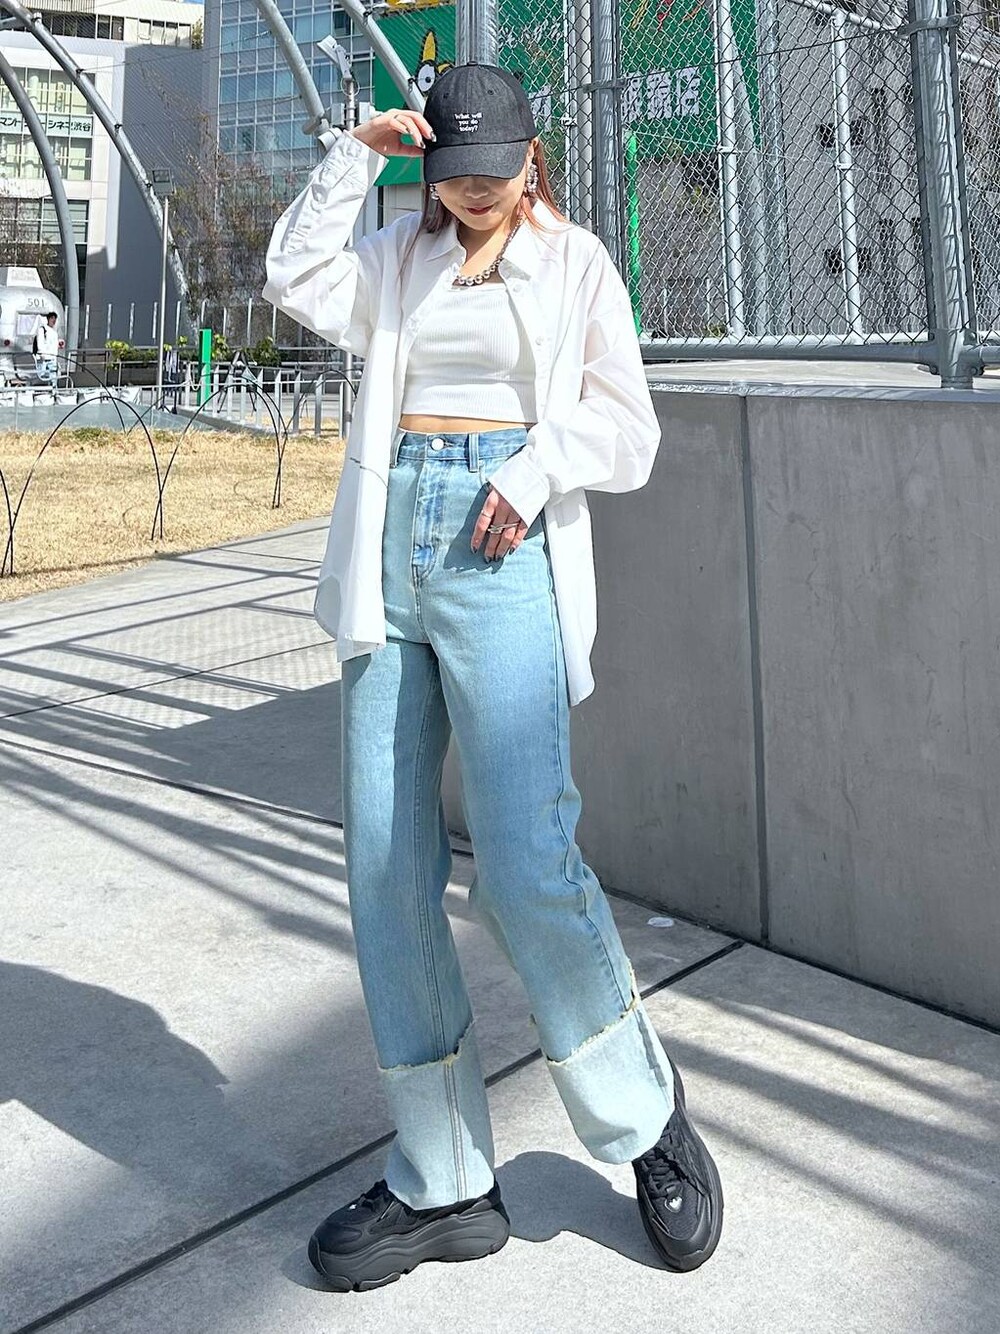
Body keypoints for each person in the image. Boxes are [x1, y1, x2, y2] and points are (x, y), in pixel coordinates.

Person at [264, 62, 724, 1292]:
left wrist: (528, 471)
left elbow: (626, 426)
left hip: (501, 540)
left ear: (531, 158)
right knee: (384, 866)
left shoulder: (574, 264)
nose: (475, 193)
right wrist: (353, 155)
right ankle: (445, 1176)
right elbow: (292, 277)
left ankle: (642, 1113)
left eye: (495, 172)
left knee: (524, 863)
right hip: (391, 549)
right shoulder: (396, 259)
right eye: (454, 174)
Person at [33, 311, 61, 384]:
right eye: (52, 318)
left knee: (53, 378)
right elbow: (40, 343)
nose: (53, 321)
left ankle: (53, 389)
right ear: (48, 319)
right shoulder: (42, 329)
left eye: (55, 319)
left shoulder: (54, 332)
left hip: (52, 359)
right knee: (40, 377)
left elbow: (54, 345)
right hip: (43, 359)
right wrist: (43, 355)